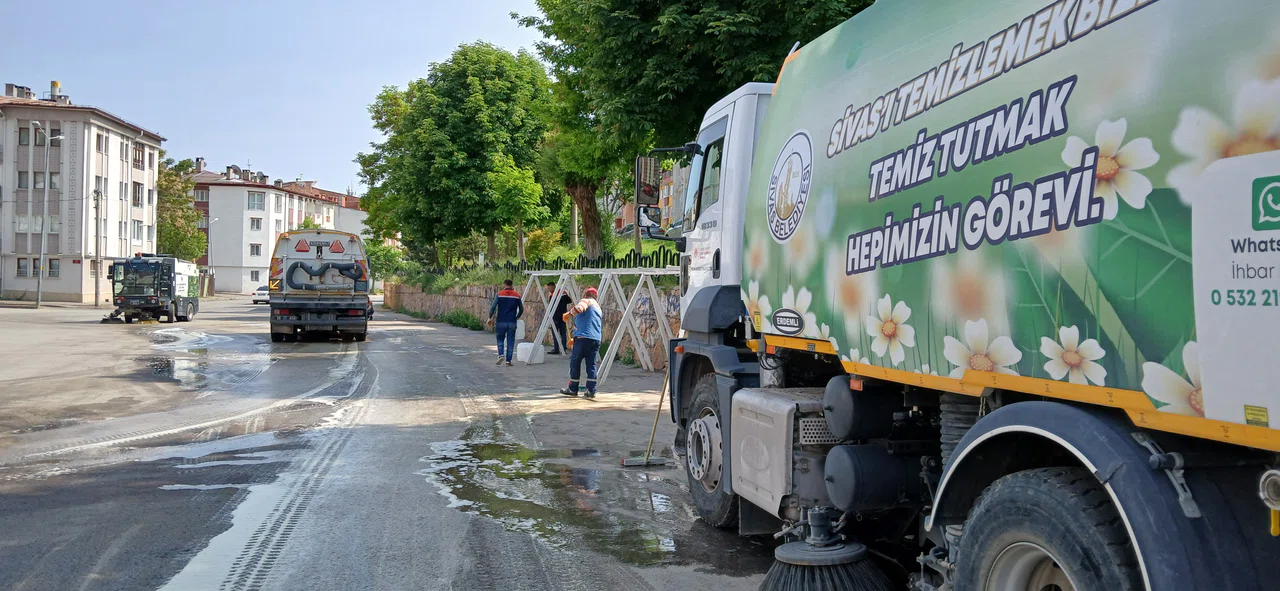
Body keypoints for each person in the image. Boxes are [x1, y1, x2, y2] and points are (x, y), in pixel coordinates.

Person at [560, 287, 603, 399]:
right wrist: (575, 339)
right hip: (595, 339)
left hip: (583, 338)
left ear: (585, 294)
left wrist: (568, 314)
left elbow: (580, 308)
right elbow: (588, 324)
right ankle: (591, 390)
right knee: (591, 364)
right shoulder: (598, 308)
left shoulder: (587, 301)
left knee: (575, 362)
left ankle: (573, 388)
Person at [487, 279, 523, 366]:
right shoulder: (517, 295)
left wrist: (490, 317)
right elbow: (521, 309)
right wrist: (517, 316)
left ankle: (501, 355)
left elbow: (493, 307)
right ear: (512, 285)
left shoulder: (499, 294)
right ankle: (508, 361)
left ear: (504, 285)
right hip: (512, 321)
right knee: (510, 341)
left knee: (500, 339)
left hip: (501, 321)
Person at [545, 280, 572, 355]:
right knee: (563, 333)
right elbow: (569, 301)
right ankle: (563, 348)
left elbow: (551, 306)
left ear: (553, 286)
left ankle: (556, 348)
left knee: (555, 332)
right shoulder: (563, 293)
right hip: (563, 316)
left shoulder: (553, 295)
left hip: (555, 317)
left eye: (549, 288)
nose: (549, 290)